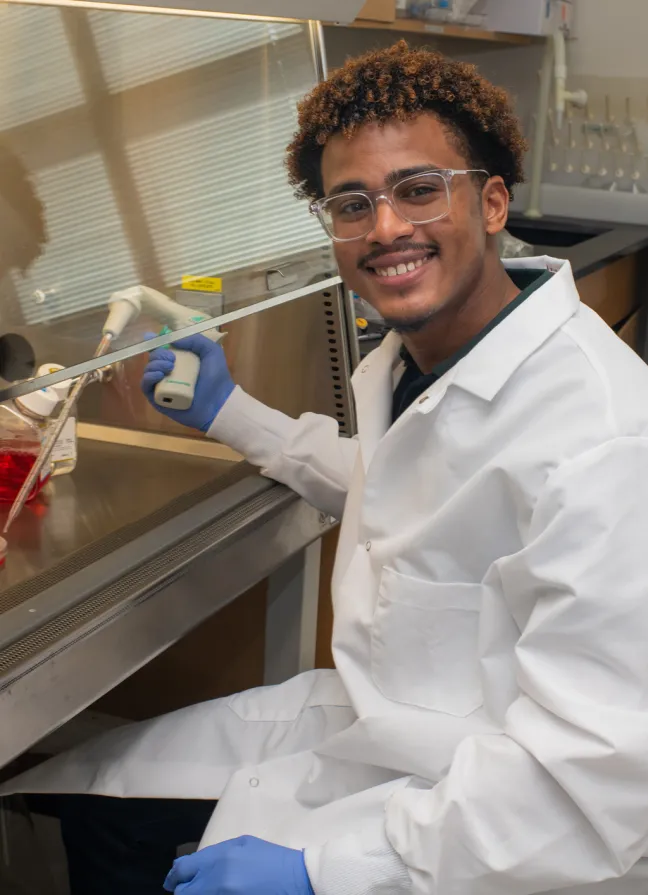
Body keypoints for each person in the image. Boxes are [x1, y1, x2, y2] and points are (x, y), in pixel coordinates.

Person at [8, 41, 648, 895]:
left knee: (131, 846)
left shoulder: (606, 441)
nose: (386, 228)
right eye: (353, 203)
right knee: (82, 791)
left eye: (420, 190)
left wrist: (323, 870)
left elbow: (596, 788)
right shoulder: (423, 359)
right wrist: (229, 413)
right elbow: (410, 488)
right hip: (386, 732)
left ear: (493, 201)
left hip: (488, 827)